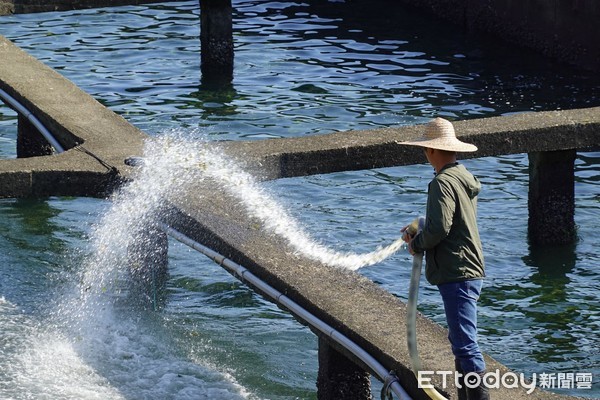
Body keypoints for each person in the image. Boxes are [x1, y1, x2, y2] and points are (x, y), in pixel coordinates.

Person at [400, 117, 489, 400]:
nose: (425, 155)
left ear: (433, 151)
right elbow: (451, 220)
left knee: (465, 345)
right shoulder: (463, 177)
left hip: (457, 270)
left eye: (426, 149)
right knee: (460, 341)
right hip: (469, 266)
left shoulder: (441, 182)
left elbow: (440, 227)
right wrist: (418, 230)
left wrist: (417, 244)